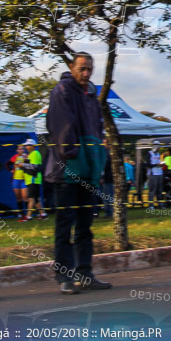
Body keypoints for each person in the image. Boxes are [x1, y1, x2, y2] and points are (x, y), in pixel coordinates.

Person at [43, 52, 111, 294]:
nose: (86, 73)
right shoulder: (62, 90)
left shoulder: (91, 94)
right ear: (71, 67)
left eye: (89, 69)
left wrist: (96, 159)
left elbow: (97, 128)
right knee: (65, 225)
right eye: (82, 68)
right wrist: (73, 154)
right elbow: (62, 128)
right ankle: (64, 275)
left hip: (88, 170)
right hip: (67, 171)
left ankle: (85, 272)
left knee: (85, 225)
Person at [25, 139, 46, 220]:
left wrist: (22, 164)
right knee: (36, 199)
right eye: (26, 145)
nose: (26, 147)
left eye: (27, 145)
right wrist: (26, 160)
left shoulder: (35, 153)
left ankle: (28, 216)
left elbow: (34, 167)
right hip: (31, 180)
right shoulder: (31, 154)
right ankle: (43, 214)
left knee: (31, 198)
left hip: (33, 179)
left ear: (32, 146)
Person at [9, 142, 30, 221]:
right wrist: (11, 170)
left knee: (25, 197)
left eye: (22, 149)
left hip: (24, 179)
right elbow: (7, 164)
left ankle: (28, 214)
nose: (21, 150)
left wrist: (26, 160)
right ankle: (21, 213)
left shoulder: (26, 156)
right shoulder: (15, 157)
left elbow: (30, 165)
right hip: (16, 179)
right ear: (17, 150)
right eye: (19, 149)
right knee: (18, 198)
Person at [146, 142, 165, 209]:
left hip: (159, 173)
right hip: (153, 174)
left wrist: (161, 164)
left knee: (160, 190)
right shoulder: (149, 153)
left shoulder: (158, 154)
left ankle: (160, 204)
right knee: (152, 190)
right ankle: (151, 205)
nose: (159, 148)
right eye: (158, 147)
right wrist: (157, 165)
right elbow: (148, 164)